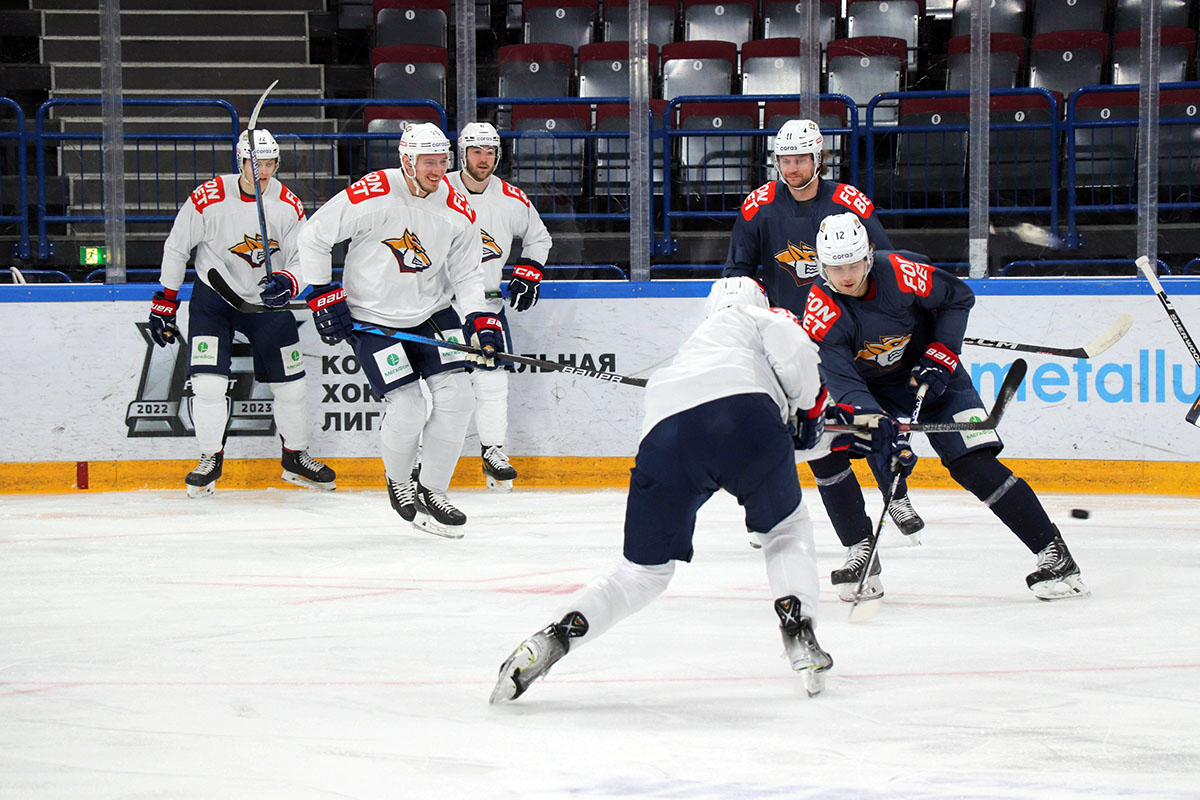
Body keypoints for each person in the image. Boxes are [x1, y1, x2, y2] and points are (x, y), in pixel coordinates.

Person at [489, 277, 910, 704]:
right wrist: (818, 411)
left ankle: (555, 635)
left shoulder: (690, 353)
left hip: (664, 439)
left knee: (639, 573)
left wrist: (843, 430)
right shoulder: (761, 317)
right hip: (746, 418)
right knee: (784, 531)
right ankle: (797, 626)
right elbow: (776, 413)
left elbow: (768, 438)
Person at [802, 213, 1090, 602]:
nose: (846, 275)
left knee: (974, 463)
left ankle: (1056, 557)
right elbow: (846, 386)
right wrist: (882, 433)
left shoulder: (903, 272)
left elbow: (958, 297)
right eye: (836, 268)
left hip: (934, 378)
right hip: (869, 390)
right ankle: (860, 551)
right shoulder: (821, 312)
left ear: (869, 256)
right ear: (822, 266)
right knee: (825, 450)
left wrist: (942, 354)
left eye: (853, 264)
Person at [722, 118, 926, 542]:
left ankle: (896, 492)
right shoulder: (757, 206)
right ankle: (767, 511)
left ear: (820, 159)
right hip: (789, 340)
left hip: (845, 334)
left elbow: (885, 268)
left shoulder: (851, 204)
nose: (791, 168)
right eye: (784, 160)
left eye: (800, 159)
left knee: (867, 413)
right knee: (776, 425)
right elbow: (737, 275)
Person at [297, 122, 502, 539]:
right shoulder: (371, 193)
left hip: (432, 312)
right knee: (407, 406)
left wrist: (480, 319)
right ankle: (399, 480)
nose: (438, 169)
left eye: (443, 160)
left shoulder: (457, 206)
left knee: (460, 398)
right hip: (373, 319)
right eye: (429, 161)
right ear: (407, 160)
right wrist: (321, 292)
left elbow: (466, 271)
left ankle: (434, 488)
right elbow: (314, 236)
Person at [147, 128, 335, 498]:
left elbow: (304, 258)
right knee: (208, 384)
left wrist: (288, 281)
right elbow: (176, 247)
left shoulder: (289, 204)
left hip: (267, 303)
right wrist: (165, 300)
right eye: (255, 163)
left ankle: (295, 456)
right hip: (214, 301)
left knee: (292, 385)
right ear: (241, 163)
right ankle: (209, 457)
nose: (263, 171)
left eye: (269, 164)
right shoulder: (208, 198)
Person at [446, 121, 553, 491]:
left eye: (490, 151)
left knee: (493, 380)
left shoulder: (511, 197)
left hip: (488, 303)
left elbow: (539, 238)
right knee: (434, 386)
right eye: (476, 151)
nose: (484, 158)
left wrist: (528, 271)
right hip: (439, 305)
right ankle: (419, 458)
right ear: (462, 154)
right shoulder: (437, 190)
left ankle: (493, 451)